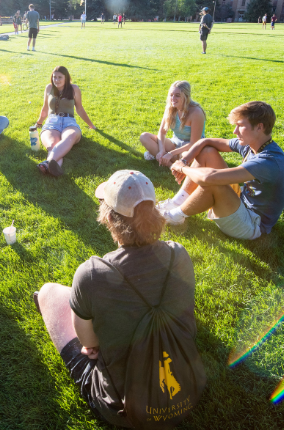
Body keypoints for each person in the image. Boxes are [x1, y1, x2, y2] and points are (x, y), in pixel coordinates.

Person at [35, 169, 204, 427]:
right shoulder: (178, 255)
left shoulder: (91, 273)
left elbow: (89, 343)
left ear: (110, 218)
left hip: (122, 406)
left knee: (49, 292)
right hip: (186, 389)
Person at [157, 101, 284, 241]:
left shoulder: (268, 162)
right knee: (207, 152)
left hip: (253, 225)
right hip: (242, 200)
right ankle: (177, 202)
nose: (235, 131)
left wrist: (182, 168)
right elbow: (206, 141)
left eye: (240, 126)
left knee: (216, 182)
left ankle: (174, 216)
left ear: (259, 127)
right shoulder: (253, 145)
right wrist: (185, 160)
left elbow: (208, 178)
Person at [34, 66, 95, 177]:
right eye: (54, 77)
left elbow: (79, 108)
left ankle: (46, 163)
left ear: (66, 78)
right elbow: (45, 108)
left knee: (70, 136)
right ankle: (51, 168)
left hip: (69, 122)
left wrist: (91, 125)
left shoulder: (74, 89)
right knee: (53, 145)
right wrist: (39, 123)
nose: (56, 80)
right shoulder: (49, 88)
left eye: (60, 77)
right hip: (52, 121)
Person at [139, 81, 206, 167]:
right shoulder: (170, 108)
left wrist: (170, 153)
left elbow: (194, 143)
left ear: (186, 96)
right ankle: (171, 166)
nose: (173, 98)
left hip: (191, 148)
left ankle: (160, 156)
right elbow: (162, 132)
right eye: (171, 95)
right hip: (175, 144)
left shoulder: (196, 112)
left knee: (186, 156)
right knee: (144, 136)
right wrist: (162, 150)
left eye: (177, 95)